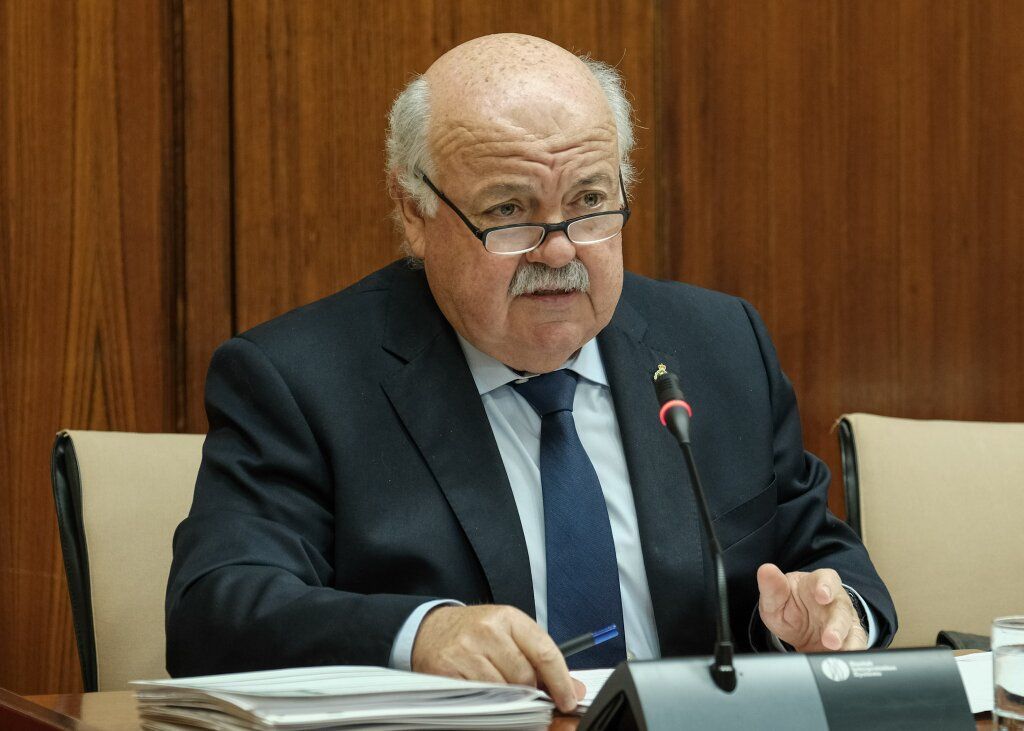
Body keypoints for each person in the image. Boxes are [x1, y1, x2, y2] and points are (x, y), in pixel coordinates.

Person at [166, 34, 896, 713]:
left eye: (587, 203)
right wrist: (420, 636)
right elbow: (216, 609)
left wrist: (830, 612)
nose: (558, 251)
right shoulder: (303, 379)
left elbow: (821, 556)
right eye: (510, 212)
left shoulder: (718, 346)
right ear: (413, 210)